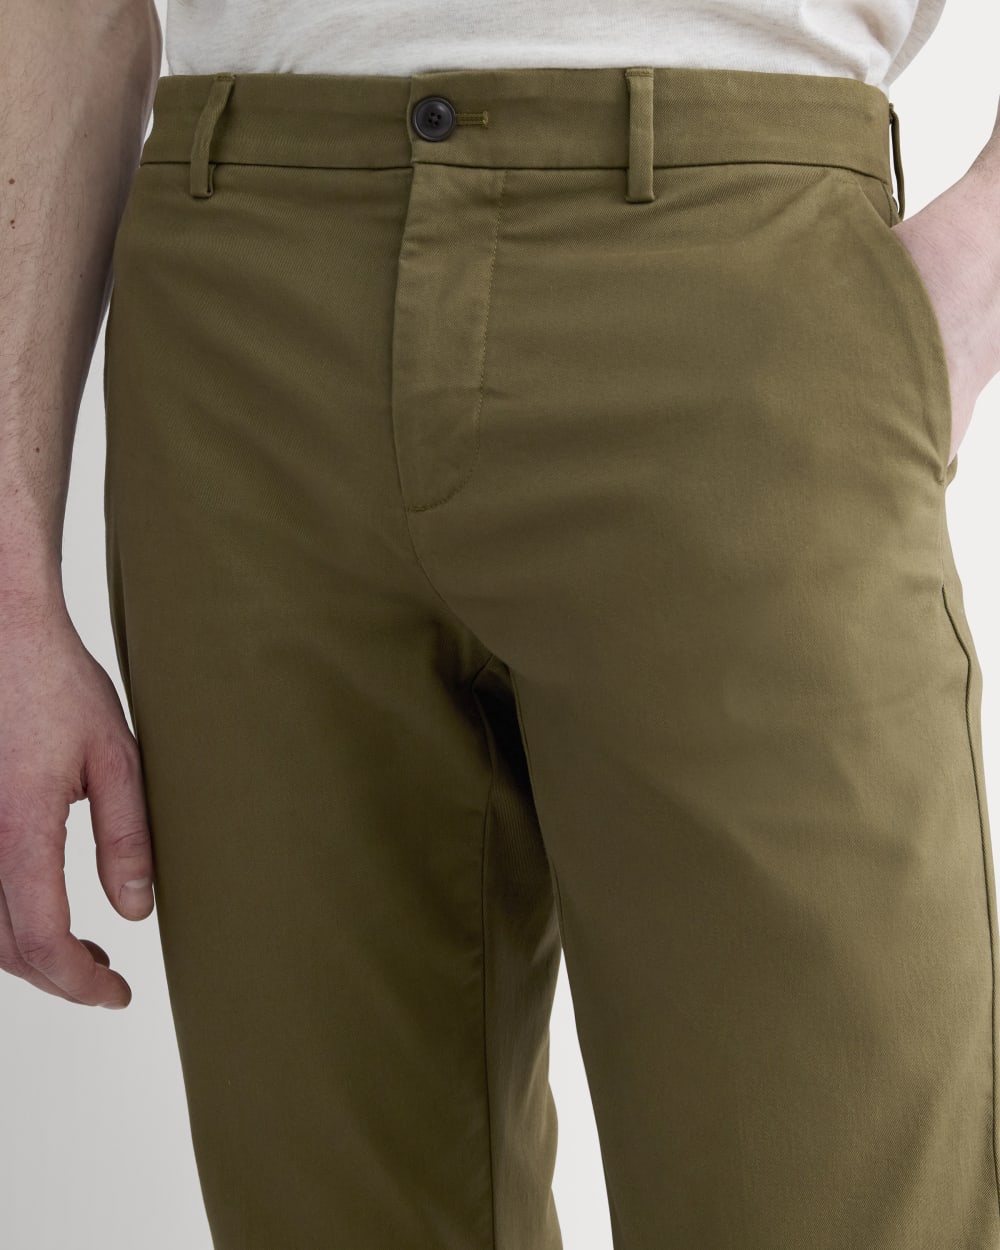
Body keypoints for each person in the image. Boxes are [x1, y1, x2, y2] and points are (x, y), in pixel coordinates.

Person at [3, 0, 999, 1245]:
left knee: (834, 1189)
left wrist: (978, 263)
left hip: (745, 289)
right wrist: (12, 590)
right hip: (241, 328)